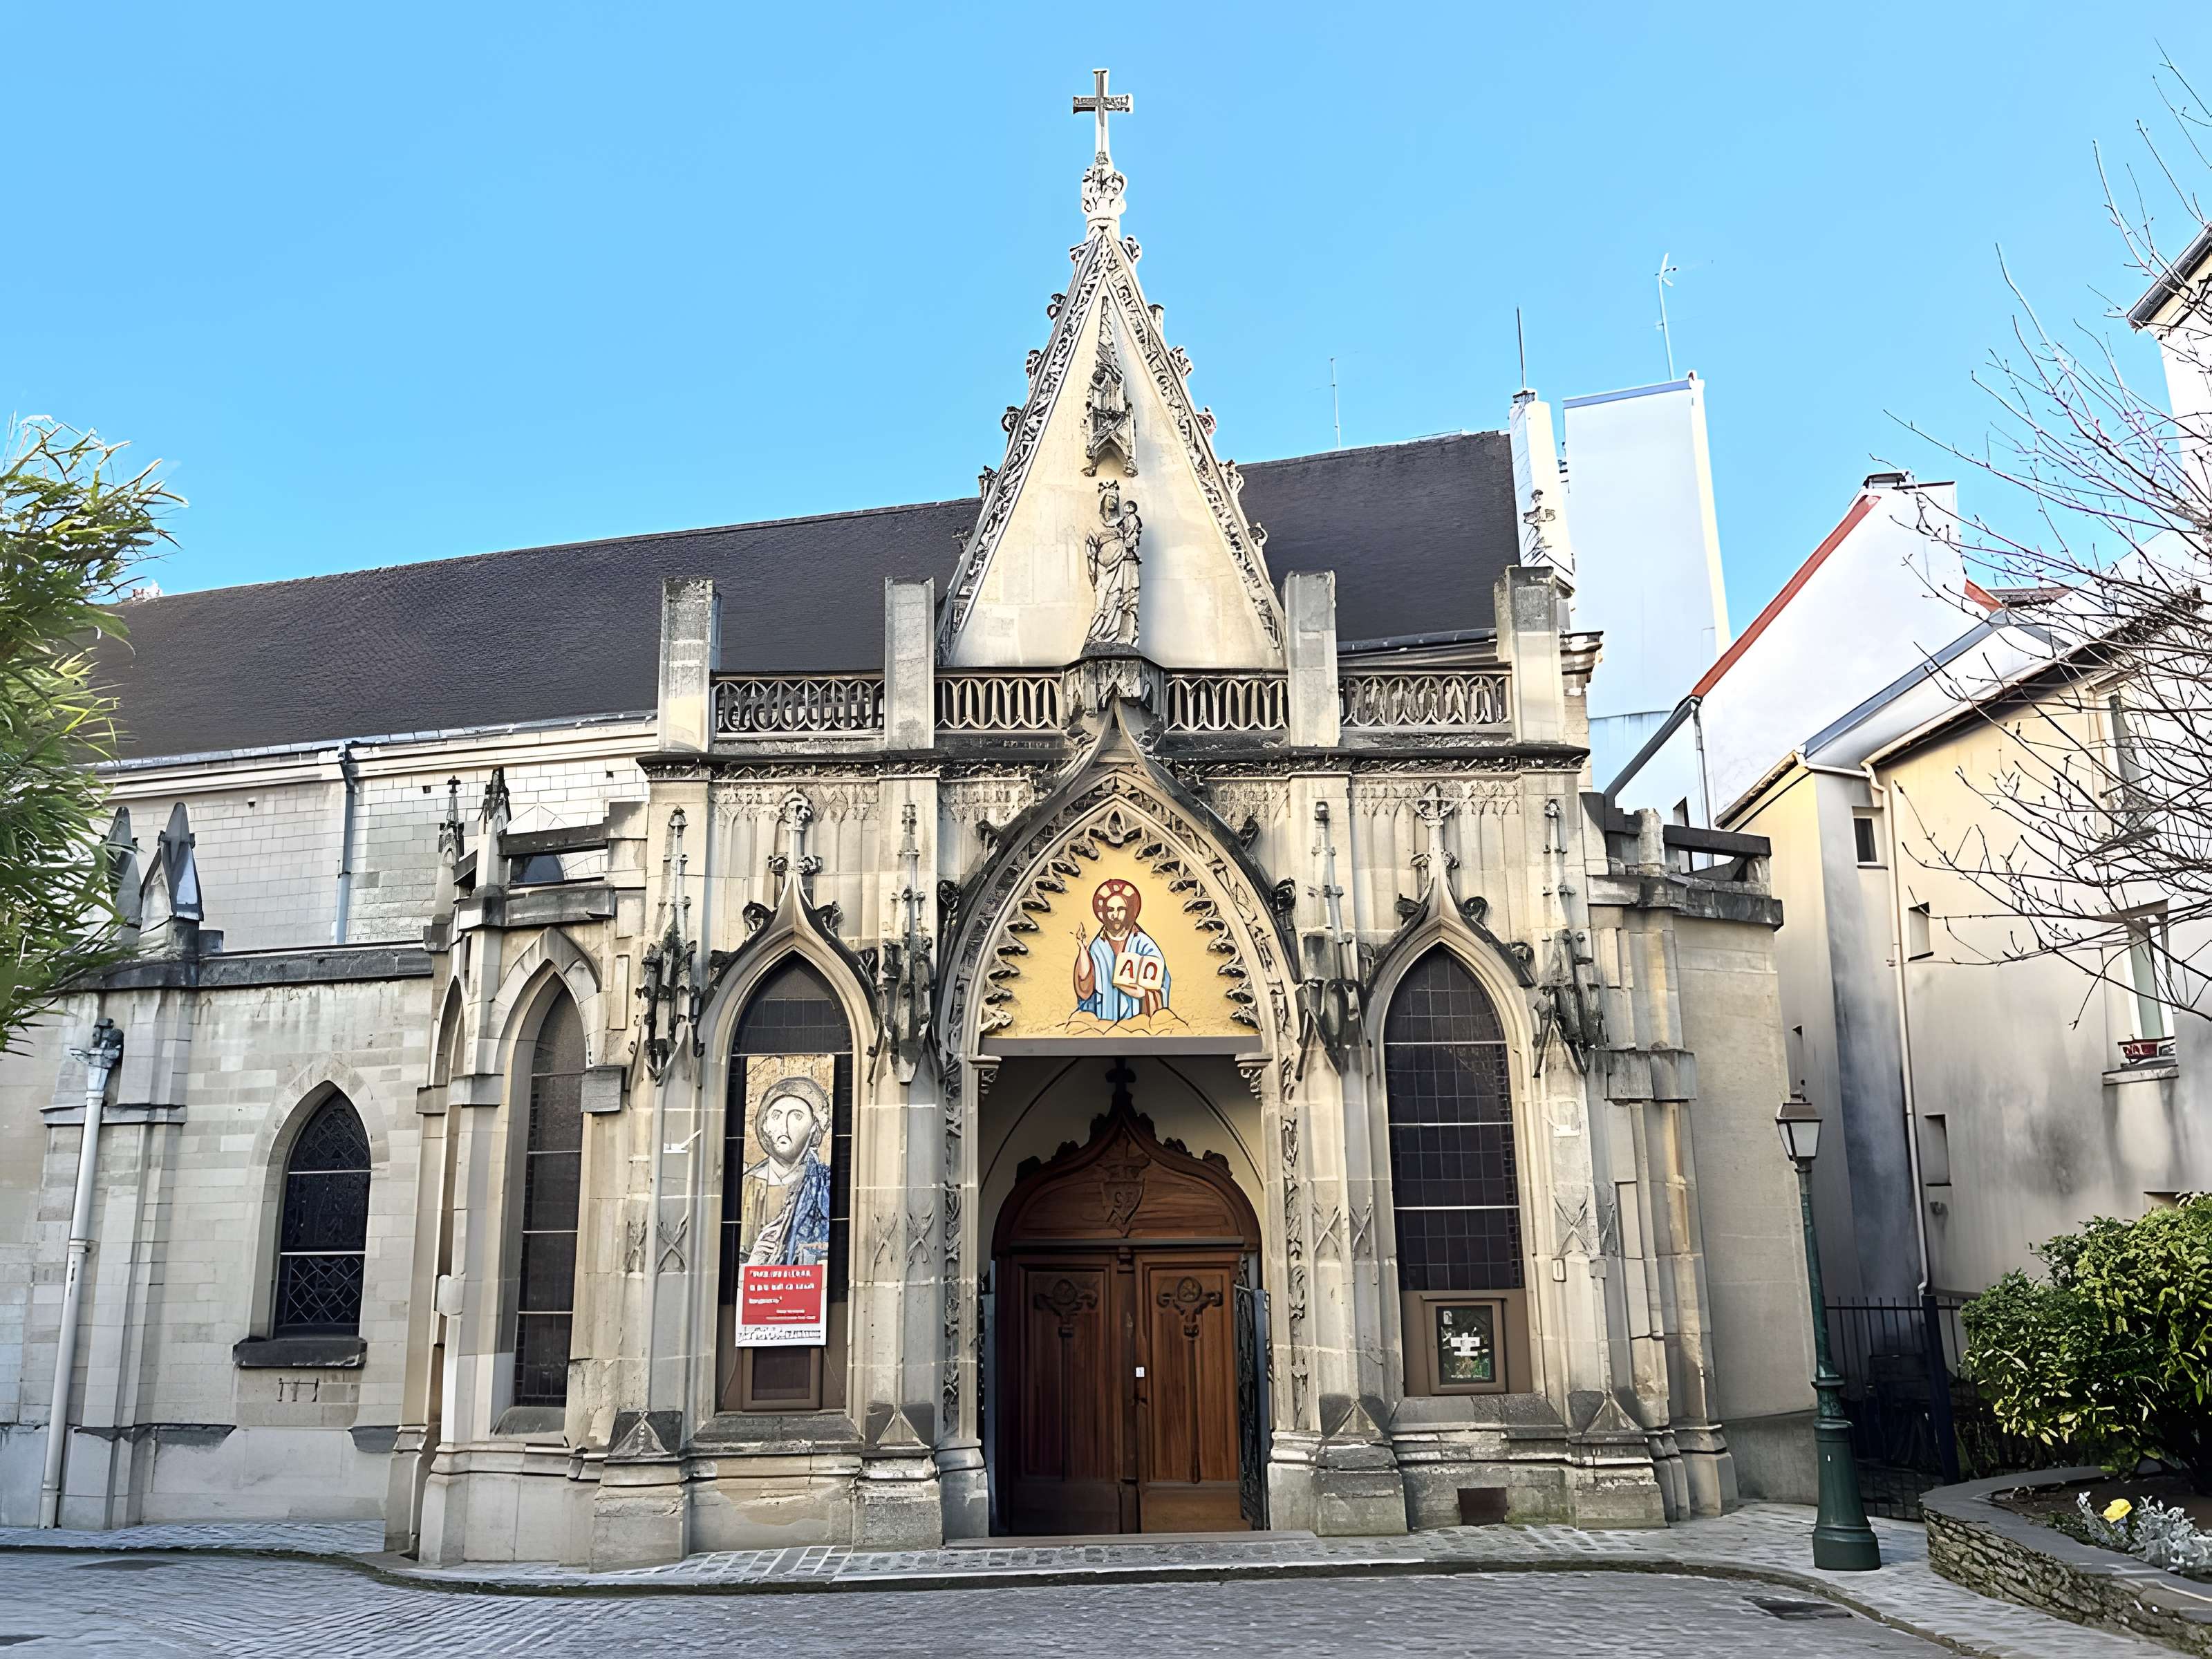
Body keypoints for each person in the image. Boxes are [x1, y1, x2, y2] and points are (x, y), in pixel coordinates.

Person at [738, 1075, 834, 1267]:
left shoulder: (824, 1184)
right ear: (765, 1124)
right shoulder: (749, 1183)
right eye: (776, 1115)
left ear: (815, 1127)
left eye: (797, 1115)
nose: (784, 1125)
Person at [1071, 878, 1171, 1021]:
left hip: (1137, 1021)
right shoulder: (1099, 945)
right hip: (1105, 1017)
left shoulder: (1144, 944)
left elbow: (1160, 984)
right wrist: (1083, 949)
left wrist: (1142, 993)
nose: (1115, 914)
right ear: (1104, 913)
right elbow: (1085, 989)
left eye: (1121, 909)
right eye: (1110, 910)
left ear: (1129, 911)